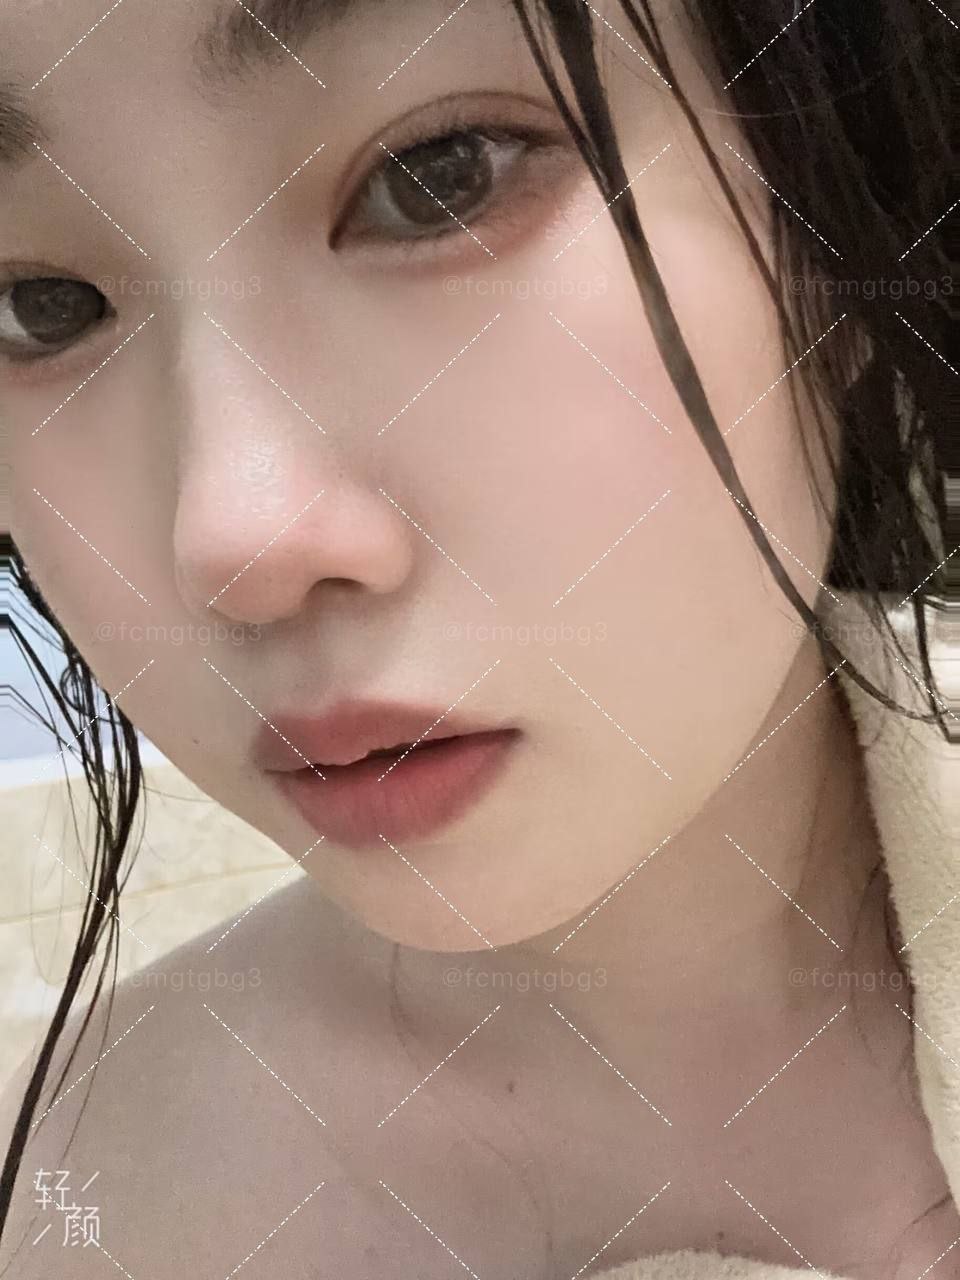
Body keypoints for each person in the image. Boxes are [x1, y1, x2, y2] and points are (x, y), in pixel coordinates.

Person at [1, 1, 956, 1276]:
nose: (238, 537)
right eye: (40, 306)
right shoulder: (77, 1215)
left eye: (436, 177)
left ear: (835, 208)